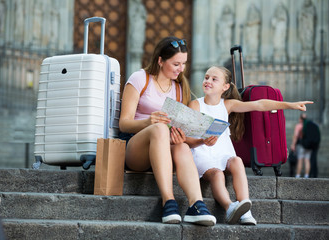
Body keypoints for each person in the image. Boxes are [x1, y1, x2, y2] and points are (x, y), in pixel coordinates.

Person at [185, 66, 313, 225]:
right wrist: (202, 141)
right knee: (218, 174)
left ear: (225, 87)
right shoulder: (195, 105)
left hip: (223, 153)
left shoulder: (228, 105)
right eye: (206, 77)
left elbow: (259, 105)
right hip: (203, 153)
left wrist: (290, 105)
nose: (207, 81)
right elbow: (186, 139)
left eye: (213, 79)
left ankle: (245, 208)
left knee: (237, 161)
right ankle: (229, 207)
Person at [119, 36, 216, 226]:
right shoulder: (140, 79)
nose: (181, 69)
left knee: (182, 148)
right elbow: (124, 123)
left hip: (164, 150)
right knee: (160, 129)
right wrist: (149, 122)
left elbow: (179, 131)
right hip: (135, 149)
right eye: (176, 64)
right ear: (160, 61)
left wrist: (201, 140)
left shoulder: (179, 88)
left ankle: (196, 204)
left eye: (184, 64)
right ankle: (168, 201)